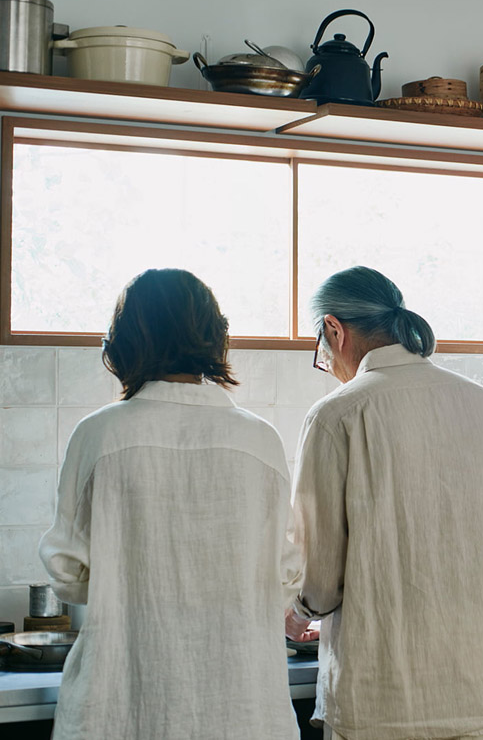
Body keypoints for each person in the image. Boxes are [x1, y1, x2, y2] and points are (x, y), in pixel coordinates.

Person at [39, 268, 301, 739]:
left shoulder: (100, 435)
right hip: (242, 709)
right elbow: (286, 575)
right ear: (215, 337)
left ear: (125, 341)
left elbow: (67, 572)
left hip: (124, 705)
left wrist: (127, 579)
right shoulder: (260, 441)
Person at [286, 266, 483, 740]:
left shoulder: (338, 413)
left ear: (334, 329)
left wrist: (297, 614)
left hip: (387, 699)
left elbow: (320, 573)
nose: (327, 362)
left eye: (321, 348)